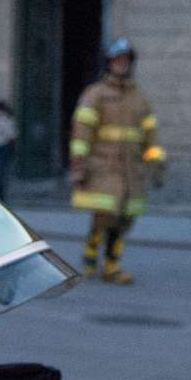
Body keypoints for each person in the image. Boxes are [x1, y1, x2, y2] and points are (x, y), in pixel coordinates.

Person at [69, 38, 166, 284]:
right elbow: (81, 134)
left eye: (125, 61)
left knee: (125, 219)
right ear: (109, 64)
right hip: (104, 167)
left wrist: (156, 164)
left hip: (131, 171)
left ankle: (112, 264)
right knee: (105, 215)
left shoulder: (139, 98)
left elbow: (150, 136)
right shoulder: (96, 94)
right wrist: (79, 167)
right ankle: (92, 253)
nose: (121, 65)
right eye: (117, 61)